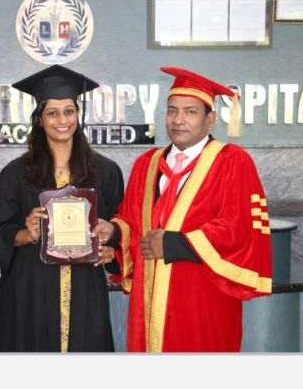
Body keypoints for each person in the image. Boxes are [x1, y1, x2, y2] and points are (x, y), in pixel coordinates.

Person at [96, 66, 272, 352]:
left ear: (210, 119)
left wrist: (175, 243)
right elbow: (131, 220)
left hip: (203, 303)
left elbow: (238, 227)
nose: (178, 120)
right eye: (172, 111)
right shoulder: (147, 164)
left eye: (190, 112)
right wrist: (114, 232)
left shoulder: (231, 161)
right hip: (148, 301)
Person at [0, 64, 124, 352]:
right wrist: (26, 233)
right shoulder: (16, 174)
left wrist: (111, 248)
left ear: (78, 114)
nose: (62, 120)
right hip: (31, 291)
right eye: (52, 113)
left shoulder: (105, 172)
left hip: (85, 290)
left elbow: (121, 230)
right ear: (39, 119)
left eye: (69, 111)